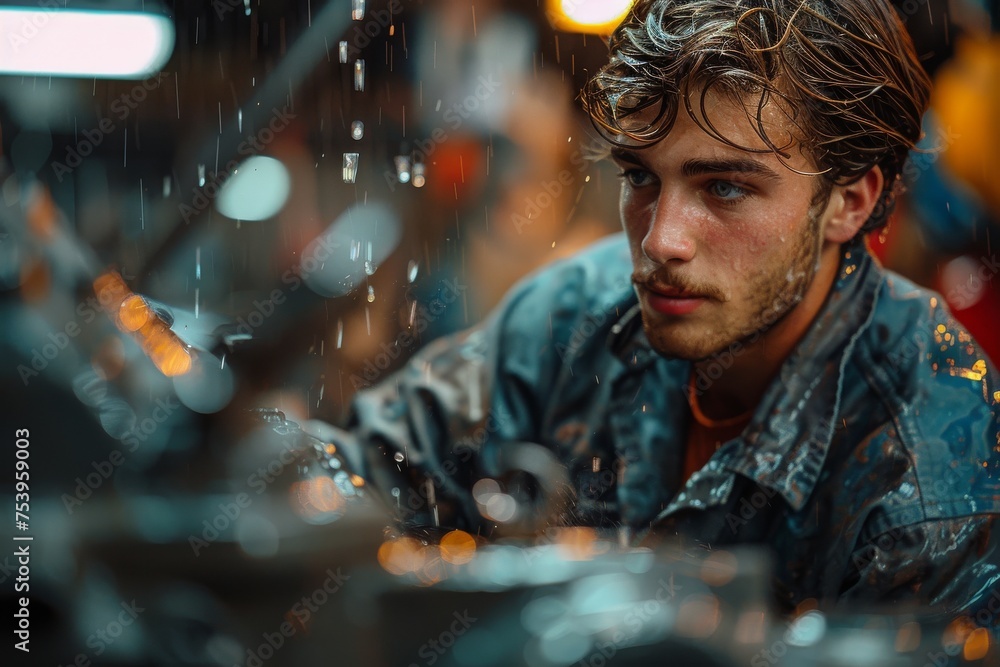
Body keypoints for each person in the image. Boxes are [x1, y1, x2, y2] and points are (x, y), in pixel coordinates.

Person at [317, 0, 1000, 621]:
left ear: (850, 200)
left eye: (726, 187)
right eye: (642, 176)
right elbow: (359, 475)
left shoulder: (933, 482)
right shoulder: (578, 310)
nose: (658, 240)